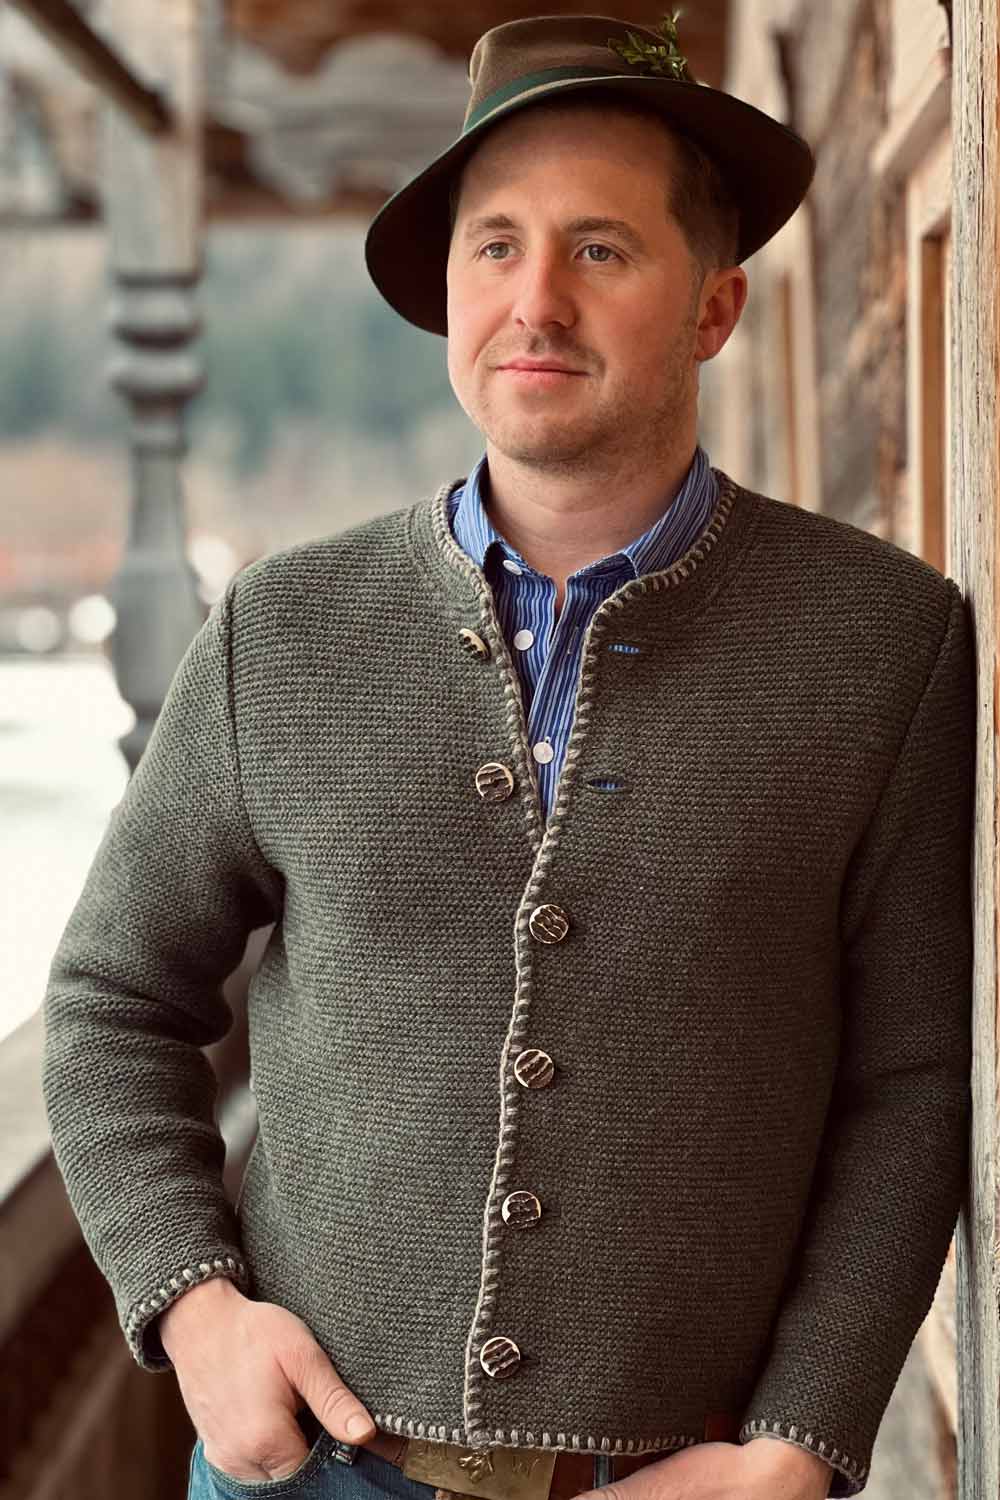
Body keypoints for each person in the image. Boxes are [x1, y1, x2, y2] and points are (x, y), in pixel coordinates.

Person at [41, 13, 975, 1500]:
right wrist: (195, 1306)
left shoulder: (883, 644)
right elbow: (110, 1000)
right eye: (496, 247)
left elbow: (911, 1082)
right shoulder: (281, 630)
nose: (536, 301)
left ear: (716, 307)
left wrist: (799, 1444)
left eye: (601, 248)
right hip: (309, 1470)